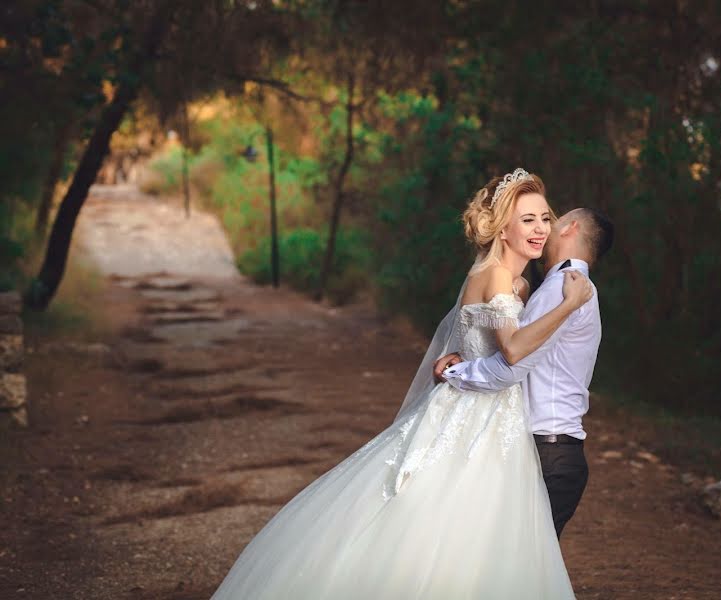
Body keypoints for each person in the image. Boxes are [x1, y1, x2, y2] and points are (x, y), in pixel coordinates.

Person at [210, 168, 594, 599]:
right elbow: (514, 350)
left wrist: (460, 359)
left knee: (475, 528)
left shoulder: (508, 279)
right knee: (448, 524)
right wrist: (570, 304)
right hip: (477, 419)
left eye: (545, 217)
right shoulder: (500, 277)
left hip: (492, 414)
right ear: (502, 227)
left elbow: (481, 341)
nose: (541, 228)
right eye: (528, 219)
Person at [435, 207, 613, 538]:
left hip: (549, 453)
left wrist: (457, 373)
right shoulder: (563, 285)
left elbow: (511, 366)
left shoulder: (564, 287)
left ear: (570, 228)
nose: (545, 227)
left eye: (552, 219)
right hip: (548, 449)